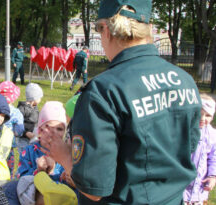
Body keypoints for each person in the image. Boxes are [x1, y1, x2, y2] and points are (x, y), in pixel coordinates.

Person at [42, 0, 202, 204]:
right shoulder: (184, 80)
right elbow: (187, 148)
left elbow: (94, 188)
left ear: (106, 30)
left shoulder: (104, 91)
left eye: (99, 31)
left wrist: (64, 156)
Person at [17, 101, 66, 181]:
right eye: (49, 127)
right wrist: (38, 171)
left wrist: (55, 171)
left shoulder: (65, 154)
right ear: (40, 129)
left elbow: (70, 182)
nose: (54, 133)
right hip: (34, 193)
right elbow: (21, 180)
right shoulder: (29, 151)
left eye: (59, 129)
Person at [183, 94, 216, 204]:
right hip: (183, 185)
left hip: (200, 187)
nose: (202, 118)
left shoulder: (213, 135)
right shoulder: (185, 131)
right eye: (199, 114)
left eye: (207, 115)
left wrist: (212, 176)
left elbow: (214, 157)